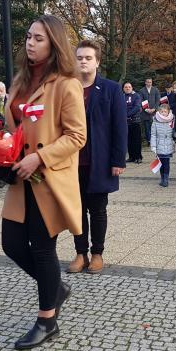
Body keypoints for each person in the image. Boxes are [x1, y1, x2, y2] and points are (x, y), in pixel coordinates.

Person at [0, 14, 86, 350]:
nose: (30, 43)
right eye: (28, 37)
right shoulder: (20, 81)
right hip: (20, 177)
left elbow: (77, 135)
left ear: (53, 44)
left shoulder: (66, 83)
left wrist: (41, 156)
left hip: (47, 178)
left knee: (43, 248)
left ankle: (47, 319)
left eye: (38, 38)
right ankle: (57, 288)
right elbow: (12, 129)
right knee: (11, 243)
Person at [67, 40, 126, 274]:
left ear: (97, 62)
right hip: (71, 162)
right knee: (76, 210)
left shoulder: (110, 89)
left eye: (88, 58)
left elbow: (119, 127)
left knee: (98, 210)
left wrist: (117, 160)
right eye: (79, 57)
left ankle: (97, 253)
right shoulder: (67, 87)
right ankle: (80, 253)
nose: (83, 61)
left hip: (99, 160)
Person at [150, 102, 175, 187]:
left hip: (168, 144)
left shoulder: (172, 120)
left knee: (166, 162)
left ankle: (166, 179)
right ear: (159, 112)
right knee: (161, 163)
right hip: (159, 145)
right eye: (162, 111)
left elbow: (174, 132)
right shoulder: (155, 121)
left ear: (168, 112)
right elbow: (153, 134)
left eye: (165, 111)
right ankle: (162, 178)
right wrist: (153, 146)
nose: (163, 113)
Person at [123, 82, 142, 163]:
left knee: (136, 140)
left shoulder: (136, 96)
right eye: (126, 87)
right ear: (123, 89)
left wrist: (127, 114)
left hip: (135, 121)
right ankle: (131, 157)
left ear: (132, 88)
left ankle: (138, 157)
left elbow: (137, 107)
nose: (127, 88)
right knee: (129, 140)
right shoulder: (121, 96)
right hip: (125, 122)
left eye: (129, 87)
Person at [139, 77, 160, 144]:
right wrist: (146, 109)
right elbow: (140, 100)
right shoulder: (141, 90)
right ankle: (149, 140)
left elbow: (158, 100)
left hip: (154, 112)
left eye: (150, 82)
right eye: (148, 82)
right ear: (145, 82)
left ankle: (155, 140)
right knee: (147, 127)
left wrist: (154, 108)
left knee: (155, 127)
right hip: (145, 112)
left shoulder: (155, 90)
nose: (149, 83)